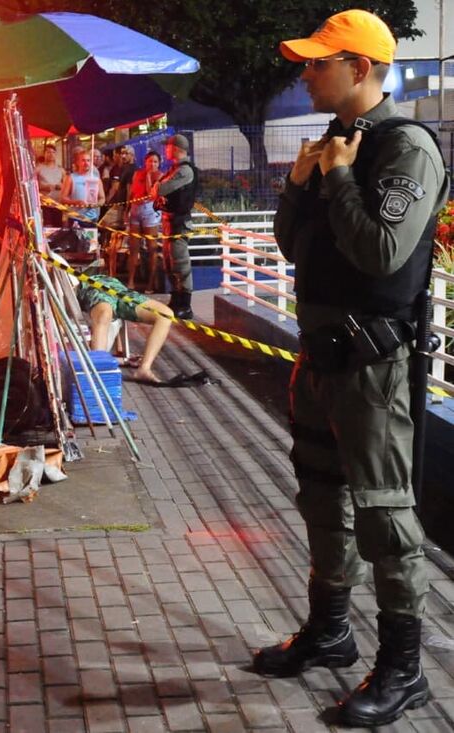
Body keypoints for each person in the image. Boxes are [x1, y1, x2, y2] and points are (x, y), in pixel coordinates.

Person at [255, 10, 448, 728]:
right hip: (319, 357)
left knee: (385, 517)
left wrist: (336, 182)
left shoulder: (406, 148)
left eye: (318, 62)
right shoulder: (336, 143)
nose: (306, 72)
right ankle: (330, 630)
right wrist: (302, 186)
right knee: (321, 498)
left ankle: (405, 671)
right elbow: (292, 248)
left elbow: (382, 253)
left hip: (373, 367)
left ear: (359, 68)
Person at [77, 275, 173, 384]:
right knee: (104, 313)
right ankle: (98, 369)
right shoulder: (57, 264)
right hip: (91, 288)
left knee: (165, 314)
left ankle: (144, 368)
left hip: (111, 285)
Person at [153, 134, 197, 319]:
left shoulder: (185, 171)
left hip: (179, 224)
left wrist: (158, 188)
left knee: (180, 264)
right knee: (169, 263)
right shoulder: (174, 169)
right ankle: (176, 299)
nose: (166, 150)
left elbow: (160, 189)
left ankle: (185, 305)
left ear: (177, 149)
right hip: (169, 222)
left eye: (168, 147)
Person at [124, 151, 164, 290]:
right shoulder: (137, 173)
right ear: (145, 162)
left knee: (152, 247)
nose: (152, 164)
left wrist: (148, 176)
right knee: (133, 247)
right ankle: (130, 281)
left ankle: (151, 283)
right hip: (136, 209)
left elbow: (150, 193)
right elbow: (132, 193)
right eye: (150, 161)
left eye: (155, 161)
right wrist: (127, 210)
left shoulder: (160, 176)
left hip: (150, 210)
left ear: (159, 164)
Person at [60, 146, 104, 226]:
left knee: (91, 239)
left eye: (88, 160)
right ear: (77, 162)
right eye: (83, 160)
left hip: (91, 218)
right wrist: (76, 202)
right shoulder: (71, 178)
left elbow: (102, 198)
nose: (86, 163)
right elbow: (63, 198)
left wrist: (96, 204)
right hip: (75, 218)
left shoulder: (96, 179)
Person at [36, 143, 66, 227]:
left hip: (57, 204)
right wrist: (44, 187)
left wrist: (61, 187)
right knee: (47, 228)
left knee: (58, 228)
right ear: (44, 154)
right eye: (48, 152)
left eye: (53, 152)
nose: (51, 154)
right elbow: (32, 186)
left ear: (56, 154)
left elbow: (67, 186)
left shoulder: (61, 170)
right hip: (44, 204)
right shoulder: (38, 169)